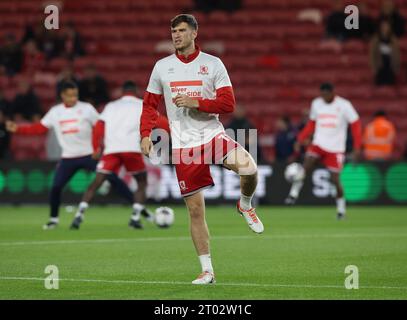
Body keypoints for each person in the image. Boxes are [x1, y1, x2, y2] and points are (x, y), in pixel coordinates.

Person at [140, 14, 264, 285]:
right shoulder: (162, 67)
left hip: (211, 136)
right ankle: (207, 271)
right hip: (184, 145)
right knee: (196, 211)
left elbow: (228, 104)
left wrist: (197, 102)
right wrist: (145, 134)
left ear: (195, 33)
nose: (176, 35)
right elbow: (150, 105)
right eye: (173, 30)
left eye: (182, 30)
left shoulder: (212, 63)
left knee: (249, 168)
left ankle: (245, 205)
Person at [6, 81, 134, 229]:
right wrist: (18, 129)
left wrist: (98, 147)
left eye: (75, 95)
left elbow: (100, 127)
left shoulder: (87, 109)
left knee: (113, 179)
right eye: (69, 95)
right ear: (62, 96)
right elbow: (40, 128)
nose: (73, 98)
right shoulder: (55, 112)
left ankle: (138, 207)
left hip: (89, 156)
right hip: (68, 158)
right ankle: (53, 219)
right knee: (56, 188)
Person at [70, 81, 155, 230]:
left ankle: (79, 215)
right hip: (131, 149)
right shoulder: (142, 104)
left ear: (122, 91)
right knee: (141, 182)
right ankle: (135, 218)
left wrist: (96, 147)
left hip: (112, 150)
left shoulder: (111, 106)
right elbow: (158, 121)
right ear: (136, 91)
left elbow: (98, 127)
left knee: (96, 183)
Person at [285, 83, 362, 220]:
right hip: (318, 143)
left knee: (335, 180)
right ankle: (293, 194)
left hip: (335, 148)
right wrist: (300, 138)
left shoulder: (344, 105)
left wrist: (357, 147)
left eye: (326, 94)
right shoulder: (317, 104)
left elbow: (355, 125)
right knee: (306, 165)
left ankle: (341, 211)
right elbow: (312, 123)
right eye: (322, 95)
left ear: (333, 93)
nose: (324, 97)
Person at [370, 20, 401, 86]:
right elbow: (372, 54)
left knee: (390, 86)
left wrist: (396, 66)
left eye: (386, 26)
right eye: (383, 26)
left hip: (390, 65)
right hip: (380, 65)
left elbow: (397, 54)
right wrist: (374, 67)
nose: (385, 28)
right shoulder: (376, 39)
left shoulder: (393, 39)